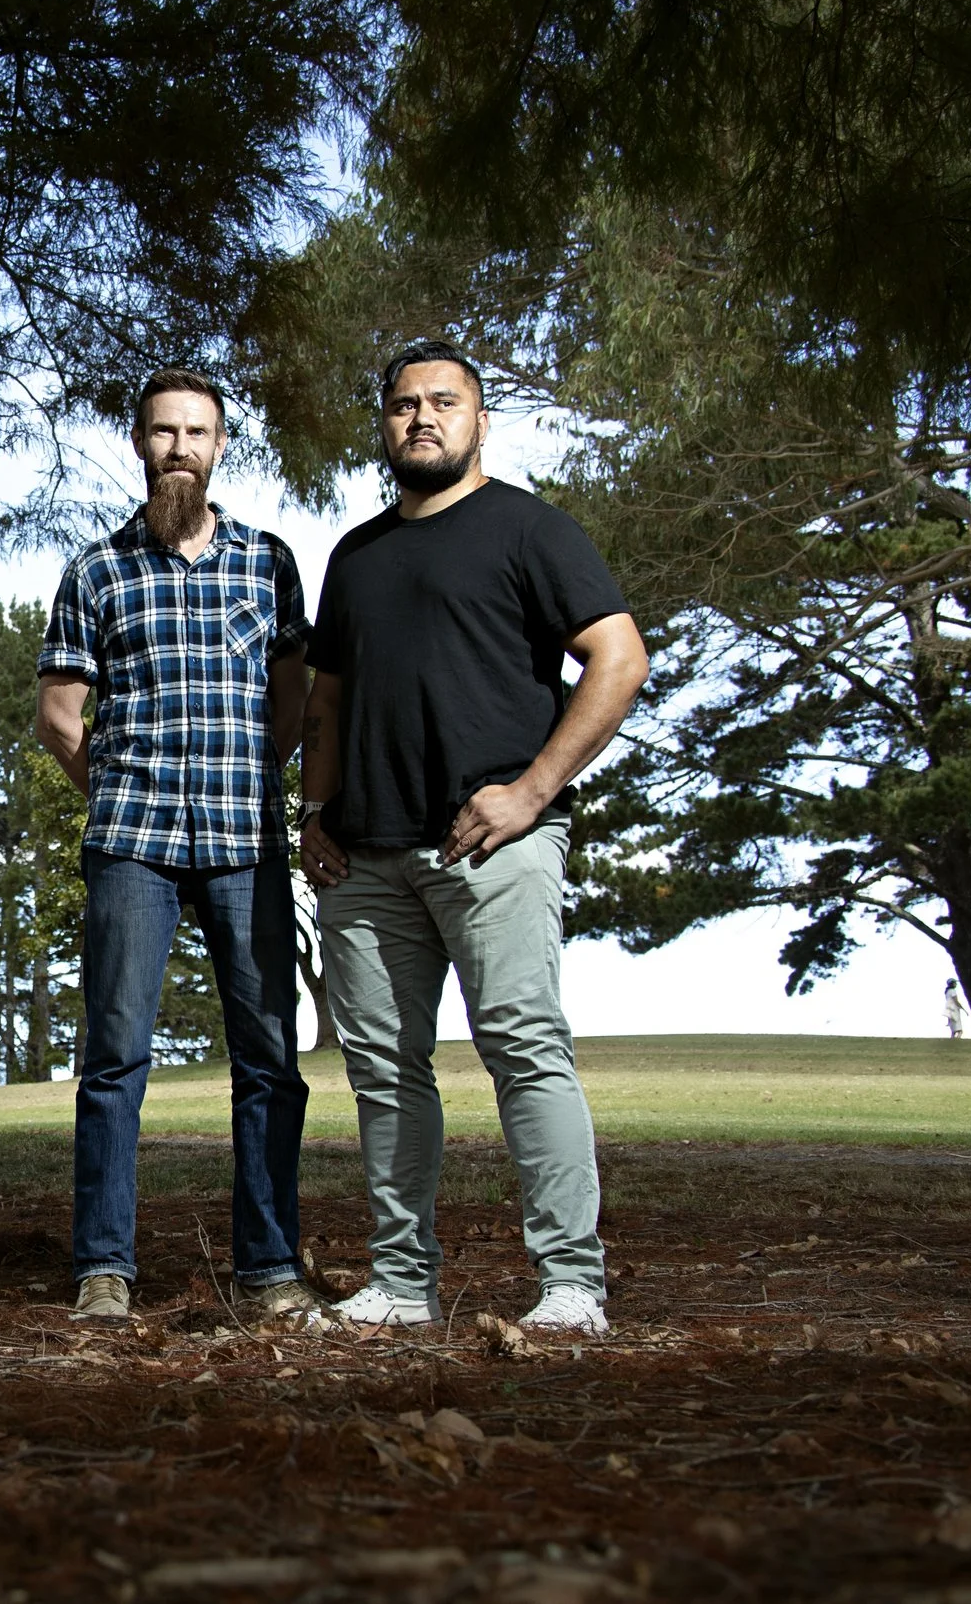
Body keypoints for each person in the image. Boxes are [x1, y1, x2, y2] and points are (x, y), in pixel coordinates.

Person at [301, 340, 649, 1337]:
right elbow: (328, 694)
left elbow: (617, 657)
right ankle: (402, 1286)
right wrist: (312, 813)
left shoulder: (527, 530)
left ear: (479, 418)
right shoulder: (355, 554)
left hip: (490, 846)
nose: (421, 418)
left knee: (524, 1051)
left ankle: (572, 1285)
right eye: (404, 404)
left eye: (442, 402)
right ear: (385, 423)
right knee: (383, 1073)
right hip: (365, 858)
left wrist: (532, 790)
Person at [36, 369, 318, 1322]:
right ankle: (103, 1266)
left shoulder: (269, 562)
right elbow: (60, 715)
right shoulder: (96, 570)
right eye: (164, 431)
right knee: (115, 1058)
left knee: (270, 1058)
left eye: (198, 432)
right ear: (139, 441)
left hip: (247, 837)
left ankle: (270, 1267)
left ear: (223, 445)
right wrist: (118, 789)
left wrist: (256, 767)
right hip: (133, 845)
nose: (180, 448)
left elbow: (294, 698)